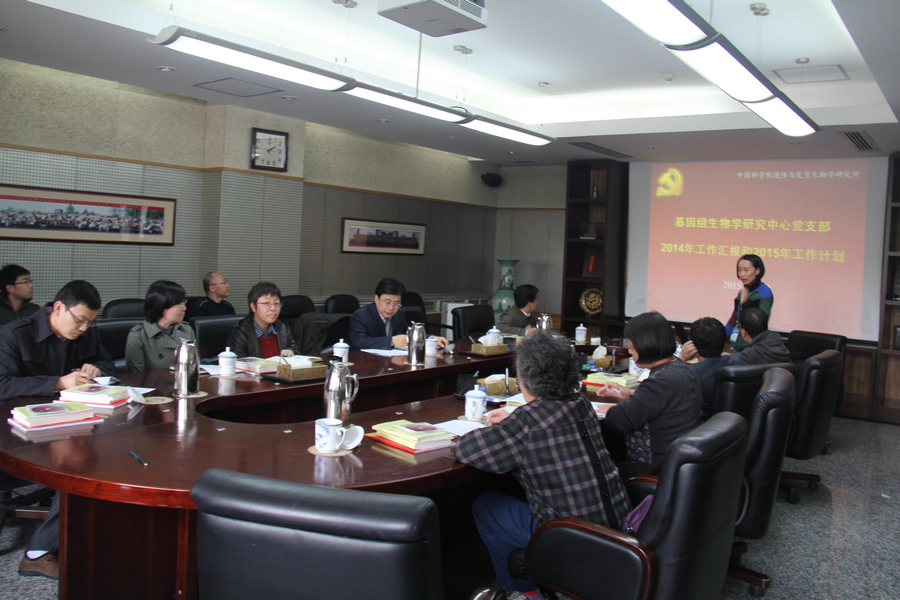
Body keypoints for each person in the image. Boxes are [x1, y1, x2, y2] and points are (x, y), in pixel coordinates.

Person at [455, 334, 630, 600]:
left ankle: (521, 593)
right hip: (617, 531)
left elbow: (467, 449)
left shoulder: (526, 423)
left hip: (572, 539)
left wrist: (512, 423)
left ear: (524, 380)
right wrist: (516, 419)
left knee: (485, 506)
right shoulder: (581, 404)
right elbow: (546, 420)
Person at [0, 280, 115, 580]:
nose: (84, 329)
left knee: (103, 458)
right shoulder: (15, 334)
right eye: (80, 321)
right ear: (59, 308)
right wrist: (57, 382)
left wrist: (97, 369)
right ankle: (37, 554)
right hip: (19, 433)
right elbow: (2, 384)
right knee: (78, 467)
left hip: (68, 425)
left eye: (90, 323)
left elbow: (107, 362)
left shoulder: (86, 332)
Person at [597, 311, 703, 477]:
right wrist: (631, 394)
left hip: (656, 469)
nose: (630, 352)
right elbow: (661, 401)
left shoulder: (660, 381)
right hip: (680, 463)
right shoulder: (681, 368)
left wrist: (609, 410)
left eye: (632, 346)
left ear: (646, 345)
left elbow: (617, 422)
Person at [348, 277, 448, 350]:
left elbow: (408, 334)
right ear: (376, 299)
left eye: (396, 303)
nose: (391, 308)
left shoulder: (398, 314)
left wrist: (431, 339)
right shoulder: (362, 315)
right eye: (387, 302)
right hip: (368, 364)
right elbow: (358, 342)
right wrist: (392, 341)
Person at [125, 280, 195, 372]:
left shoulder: (186, 330)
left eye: (184, 303)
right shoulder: (138, 335)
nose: (184, 308)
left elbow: (192, 367)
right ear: (162, 307)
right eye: (179, 305)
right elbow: (136, 376)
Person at [679, 317, 740, 418]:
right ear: (723, 341)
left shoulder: (689, 374)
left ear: (693, 345)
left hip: (700, 424)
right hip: (734, 422)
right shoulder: (737, 362)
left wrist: (680, 358)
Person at [227, 282, 298, 358]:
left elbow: (296, 352)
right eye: (266, 303)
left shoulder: (282, 327)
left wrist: (291, 352)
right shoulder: (241, 332)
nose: (273, 308)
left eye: (276, 303)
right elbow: (238, 362)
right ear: (253, 307)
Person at [725, 254, 773, 351]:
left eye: (746, 270)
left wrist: (744, 304)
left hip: (753, 347)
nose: (742, 274)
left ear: (757, 271)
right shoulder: (743, 292)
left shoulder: (764, 292)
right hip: (737, 343)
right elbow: (734, 318)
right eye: (739, 270)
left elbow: (759, 323)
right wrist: (719, 337)